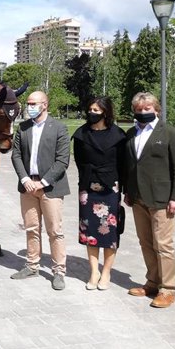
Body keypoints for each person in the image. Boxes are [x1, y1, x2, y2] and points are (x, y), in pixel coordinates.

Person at [122, 92, 175, 308]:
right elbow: (130, 165)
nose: (143, 113)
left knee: (163, 245)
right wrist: (127, 191)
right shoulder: (132, 133)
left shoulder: (170, 133)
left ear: (156, 110)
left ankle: (168, 289)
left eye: (147, 109)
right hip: (138, 197)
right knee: (146, 243)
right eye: (139, 110)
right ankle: (152, 282)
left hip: (162, 199)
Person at [10, 90, 70, 290]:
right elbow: (16, 155)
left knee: (55, 230)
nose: (30, 107)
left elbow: (63, 160)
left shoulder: (59, 128)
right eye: (28, 103)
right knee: (32, 228)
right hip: (28, 187)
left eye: (34, 103)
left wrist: (43, 182)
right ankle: (32, 265)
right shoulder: (23, 127)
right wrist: (25, 178)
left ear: (45, 104)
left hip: (50, 187)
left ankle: (59, 271)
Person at [72, 96, 126, 290]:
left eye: (97, 110)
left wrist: (121, 187)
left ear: (106, 112)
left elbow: (123, 164)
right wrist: (87, 182)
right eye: (90, 109)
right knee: (90, 231)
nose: (92, 113)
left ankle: (106, 273)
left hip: (111, 188)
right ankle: (94, 271)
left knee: (110, 233)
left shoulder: (118, 135)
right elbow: (79, 161)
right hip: (88, 188)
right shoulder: (81, 134)